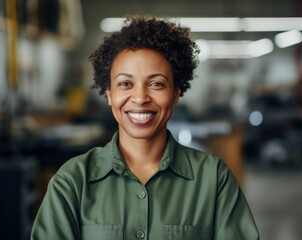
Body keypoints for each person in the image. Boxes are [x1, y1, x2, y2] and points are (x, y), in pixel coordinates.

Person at [30, 16, 260, 240]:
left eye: (156, 84)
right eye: (125, 84)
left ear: (176, 93)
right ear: (109, 93)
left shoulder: (213, 179)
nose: (140, 98)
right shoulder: (72, 182)